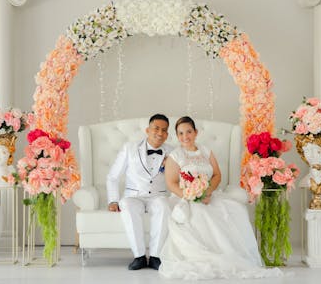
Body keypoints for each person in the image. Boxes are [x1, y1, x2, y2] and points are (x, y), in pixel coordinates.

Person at [159, 116, 283, 280]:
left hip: (210, 194)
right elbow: (171, 183)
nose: (185, 136)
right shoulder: (176, 155)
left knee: (235, 209)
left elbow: (217, 175)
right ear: (177, 136)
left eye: (188, 132)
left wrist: (208, 191)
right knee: (201, 212)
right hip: (186, 197)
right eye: (180, 133)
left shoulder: (205, 151)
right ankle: (214, 255)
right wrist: (191, 196)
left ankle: (235, 255)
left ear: (195, 132)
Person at [106, 114, 173, 270]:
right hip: (133, 195)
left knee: (164, 206)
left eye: (164, 130)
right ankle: (139, 256)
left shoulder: (172, 151)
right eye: (156, 128)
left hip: (158, 195)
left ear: (167, 134)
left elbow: (178, 176)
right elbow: (113, 176)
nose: (160, 133)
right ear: (147, 130)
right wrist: (113, 200)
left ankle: (156, 257)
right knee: (127, 207)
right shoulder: (129, 148)